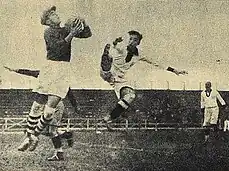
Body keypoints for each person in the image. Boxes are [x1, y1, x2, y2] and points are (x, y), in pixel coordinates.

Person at [17, 5, 92, 152]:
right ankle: (28, 137)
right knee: (37, 106)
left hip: (63, 69)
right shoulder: (48, 32)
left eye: (55, 12)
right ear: (47, 20)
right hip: (51, 67)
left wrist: (84, 24)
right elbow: (58, 49)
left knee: (50, 110)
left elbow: (87, 34)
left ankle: (34, 136)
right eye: (52, 14)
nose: (56, 15)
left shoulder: (65, 29)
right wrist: (72, 34)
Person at [100, 30, 188, 129]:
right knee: (108, 59)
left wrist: (174, 70)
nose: (131, 41)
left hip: (119, 79)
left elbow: (156, 62)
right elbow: (114, 45)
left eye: (135, 40)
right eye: (130, 39)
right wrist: (114, 42)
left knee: (130, 96)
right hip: (109, 72)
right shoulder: (122, 48)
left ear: (138, 43)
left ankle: (108, 119)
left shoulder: (139, 54)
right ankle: (105, 57)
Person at [4, 66, 76, 161]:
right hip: (45, 105)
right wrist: (16, 70)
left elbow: (69, 92)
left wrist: (75, 106)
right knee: (46, 130)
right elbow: (30, 72)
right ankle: (65, 135)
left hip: (56, 106)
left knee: (51, 131)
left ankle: (59, 152)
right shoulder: (45, 74)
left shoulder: (61, 78)